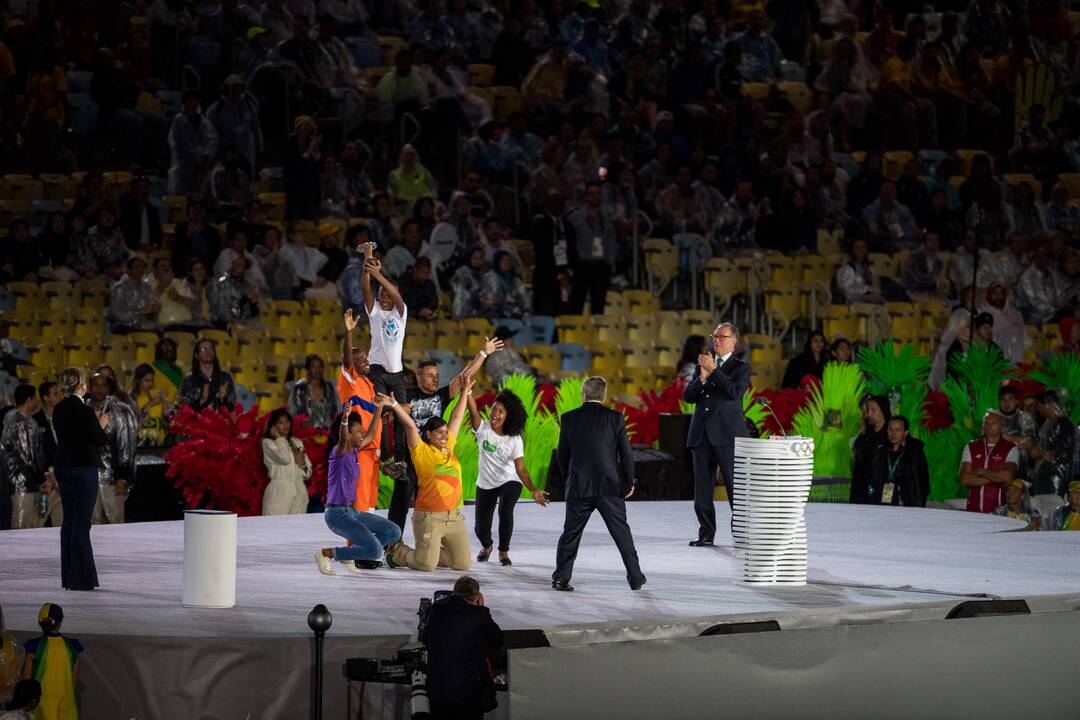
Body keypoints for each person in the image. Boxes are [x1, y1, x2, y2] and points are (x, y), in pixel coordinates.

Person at [551, 376, 645, 591]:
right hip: (609, 485)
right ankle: (636, 577)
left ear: (583, 395)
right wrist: (629, 481)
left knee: (571, 533)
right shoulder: (615, 418)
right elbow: (626, 454)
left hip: (578, 485)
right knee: (621, 532)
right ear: (603, 396)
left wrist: (570, 478)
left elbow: (562, 455)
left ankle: (561, 578)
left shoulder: (569, 418)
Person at [386, 375, 475, 572]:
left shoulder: (449, 446)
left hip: (453, 518)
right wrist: (394, 404)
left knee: (463, 564)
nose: (445, 435)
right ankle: (398, 552)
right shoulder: (421, 451)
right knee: (425, 565)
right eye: (439, 432)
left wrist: (465, 391)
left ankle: (433, 551)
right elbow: (410, 425)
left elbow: (457, 417)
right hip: (429, 518)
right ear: (428, 435)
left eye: (445, 431)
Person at [314, 398, 401, 575]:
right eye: (358, 432)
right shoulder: (339, 452)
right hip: (336, 515)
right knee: (376, 551)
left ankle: (350, 554)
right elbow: (343, 437)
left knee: (394, 531)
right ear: (348, 435)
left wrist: (377, 409)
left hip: (352, 513)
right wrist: (345, 420)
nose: (362, 435)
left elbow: (371, 433)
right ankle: (327, 553)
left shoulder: (355, 451)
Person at [683, 323, 750, 546]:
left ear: (734, 341)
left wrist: (714, 371)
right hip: (701, 434)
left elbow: (735, 392)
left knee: (735, 487)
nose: (717, 340)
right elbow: (689, 397)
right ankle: (706, 533)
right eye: (715, 336)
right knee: (702, 489)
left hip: (727, 434)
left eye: (723, 337)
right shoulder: (703, 364)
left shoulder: (740, 367)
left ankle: (740, 534)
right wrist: (702, 379)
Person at [466, 389, 549, 566]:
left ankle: (503, 552)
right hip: (486, 483)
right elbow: (473, 412)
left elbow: (521, 468)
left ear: (509, 416)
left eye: (500, 411)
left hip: (509, 480)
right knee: (480, 527)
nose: (495, 414)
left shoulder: (515, 439)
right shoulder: (483, 429)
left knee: (505, 511)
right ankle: (487, 546)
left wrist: (533, 489)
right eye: (494, 409)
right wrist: (468, 392)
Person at [53, 369, 110, 591]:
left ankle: (68, 576)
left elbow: (68, 437)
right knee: (82, 523)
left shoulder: (58, 409)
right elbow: (100, 440)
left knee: (69, 520)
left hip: (64, 468)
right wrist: (101, 425)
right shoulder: (85, 411)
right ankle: (81, 578)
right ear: (81, 384)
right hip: (83, 469)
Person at [425, 575, 504, 720]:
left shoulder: (435, 611)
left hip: (437, 691)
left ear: (454, 592)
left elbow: (425, 639)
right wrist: (479, 608)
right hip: (468, 694)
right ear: (477, 597)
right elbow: (497, 641)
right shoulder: (480, 614)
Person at [86, 373, 137, 525]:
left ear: (108, 388)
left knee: (114, 523)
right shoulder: (82, 410)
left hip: (111, 478)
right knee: (91, 523)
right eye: (96, 385)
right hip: (87, 478)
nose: (100, 389)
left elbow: (125, 445)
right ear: (89, 387)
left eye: (103, 385)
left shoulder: (118, 411)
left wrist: (122, 476)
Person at [20, 604, 82, 720]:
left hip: (40, 706)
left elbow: (26, 681)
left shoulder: (33, 647)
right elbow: (74, 680)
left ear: (40, 622)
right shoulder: (73, 647)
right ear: (60, 622)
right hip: (66, 705)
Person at [362, 257, 408, 409]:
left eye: (389, 295)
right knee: (380, 409)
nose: (385, 298)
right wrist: (368, 270)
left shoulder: (401, 312)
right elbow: (366, 288)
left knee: (402, 412)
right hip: (377, 368)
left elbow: (396, 296)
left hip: (397, 371)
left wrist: (377, 274)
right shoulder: (374, 311)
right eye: (382, 294)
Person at [3, 385, 49, 529]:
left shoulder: (26, 420)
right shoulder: (18, 421)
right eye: (35, 398)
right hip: (21, 484)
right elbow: (27, 456)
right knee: (21, 527)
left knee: (31, 526)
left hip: (29, 483)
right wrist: (42, 477)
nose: (36, 402)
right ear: (29, 400)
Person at [568, 181, 617, 314]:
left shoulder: (607, 220)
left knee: (598, 305)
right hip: (582, 265)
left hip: (601, 265)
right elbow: (570, 244)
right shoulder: (575, 219)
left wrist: (610, 265)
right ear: (586, 197)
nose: (595, 197)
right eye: (591, 194)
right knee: (576, 303)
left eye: (598, 194)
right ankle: (576, 332)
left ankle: (596, 333)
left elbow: (612, 242)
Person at [960, 410, 1018, 514]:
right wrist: (996, 477)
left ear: (1002, 426)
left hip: (1000, 512)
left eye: (993, 423)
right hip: (973, 511)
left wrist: (981, 471)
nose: (988, 426)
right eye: (986, 423)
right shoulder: (971, 447)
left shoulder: (1011, 448)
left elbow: (1007, 476)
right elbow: (965, 478)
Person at [260, 409, 312, 516]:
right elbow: (284, 459)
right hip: (279, 494)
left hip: (299, 493)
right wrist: (279, 438)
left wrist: (301, 464)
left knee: (298, 531)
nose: (285, 425)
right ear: (273, 426)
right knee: (276, 530)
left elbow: (307, 474)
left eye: (287, 421)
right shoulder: (268, 443)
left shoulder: (297, 442)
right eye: (281, 422)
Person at [879, 416, 929, 507]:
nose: (893, 433)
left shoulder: (915, 452)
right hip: (887, 497)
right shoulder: (883, 452)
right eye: (890, 429)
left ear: (906, 432)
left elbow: (923, 481)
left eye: (897, 430)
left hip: (909, 503)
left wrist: (919, 506)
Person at [32, 382, 63, 529]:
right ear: (45, 398)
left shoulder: (65, 419)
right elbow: (34, 453)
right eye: (55, 393)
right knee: (38, 521)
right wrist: (47, 475)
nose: (60, 396)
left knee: (61, 524)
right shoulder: (34, 421)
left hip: (62, 480)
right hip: (45, 481)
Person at [850, 395, 891, 504]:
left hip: (883, 495)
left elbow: (892, 474)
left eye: (874, 410)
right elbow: (858, 464)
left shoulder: (891, 437)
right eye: (868, 410)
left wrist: (887, 500)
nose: (869, 414)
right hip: (863, 496)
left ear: (883, 411)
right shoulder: (865, 435)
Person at [178, 339, 237, 411]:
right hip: (198, 421)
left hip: (220, 420)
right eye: (203, 349)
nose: (208, 352)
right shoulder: (189, 380)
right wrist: (202, 400)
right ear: (196, 355)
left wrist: (223, 399)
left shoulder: (225, 377)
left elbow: (233, 407)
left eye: (211, 349)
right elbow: (184, 410)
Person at [288, 355, 340, 430]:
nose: (317, 370)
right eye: (314, 367)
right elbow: (292, 411)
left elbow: (336, 410)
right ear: (308, 369)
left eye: (320, 367)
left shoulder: (330, 387)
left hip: (327, 430)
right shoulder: (299, 389)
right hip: (304, 431)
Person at [998, 385, 1037, 479]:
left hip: (1020, 470)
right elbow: (987, 441)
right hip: (997, 469)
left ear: (1016, 401)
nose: (1006, 403)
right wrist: (1017, 440)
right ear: (999, 401)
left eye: (1010, 399)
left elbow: (1029, 445)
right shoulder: (992, 417)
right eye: (1003, 399)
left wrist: (1002, 436)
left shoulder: (1025, 418)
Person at [130, 364, 174, 446]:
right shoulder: (131, 398)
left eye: (152, 380)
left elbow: (167, 421)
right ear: (138, 380)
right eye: (146, 381)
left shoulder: (156, 395)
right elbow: (134, 422)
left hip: (158, 443)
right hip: (138, 444)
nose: (150, 384)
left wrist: (164, 401)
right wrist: (150, 404)